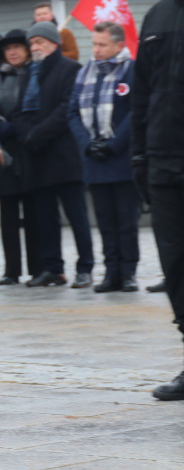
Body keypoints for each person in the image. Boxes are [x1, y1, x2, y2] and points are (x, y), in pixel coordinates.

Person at [133, 0, 184, 400]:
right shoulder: (157, 16)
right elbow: (142, 92)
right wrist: (139, 154)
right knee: (176, 264)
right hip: (164, 164)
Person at [11, 23, 92, 288]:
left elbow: (67, 107)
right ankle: (53, 268)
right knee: (45, 218)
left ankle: (85, 267)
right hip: (37, 157)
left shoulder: (70, 69)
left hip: (64, 155)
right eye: (32, 43)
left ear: (54, 43)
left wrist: (38, 134)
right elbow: (19, 111)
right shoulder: (28, 73)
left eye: (40, 42)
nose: (34, 47)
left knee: (77, 216)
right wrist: (27, 135)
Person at [67, 21, 138, 294]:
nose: (95, 50)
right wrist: (88, 144)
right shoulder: (86, 73)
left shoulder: (131, 71)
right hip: (94, 159)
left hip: (121, 157)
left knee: (126, 220)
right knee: (105, 221)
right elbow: (73, 112)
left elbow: (135, 111)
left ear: (119, 45)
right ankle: (111, 272)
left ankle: (128, 272)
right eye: (94, 44)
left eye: (102, 44)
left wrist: (114, 144)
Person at [0, 29, 40, 285]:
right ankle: (12, 270)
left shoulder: (36, 73)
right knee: (8, 216)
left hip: (30, 150)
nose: (14, 52)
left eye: (18, 46)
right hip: (4, 152)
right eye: (9, 48)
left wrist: (21, 127)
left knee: (33, 214)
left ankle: (38, 268)